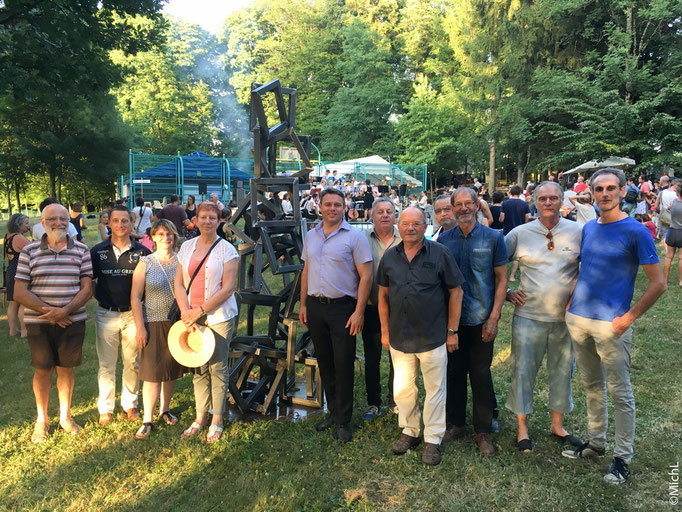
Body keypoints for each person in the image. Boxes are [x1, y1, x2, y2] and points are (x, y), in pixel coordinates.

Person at [563, 168, 666, 484]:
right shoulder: (589, 228)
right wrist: (570, 305)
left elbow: (659, 283)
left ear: (622, 192)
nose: (604, 194)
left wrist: (628, 317)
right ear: (591, 192)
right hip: (580, 320)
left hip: (612, 325)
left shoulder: (636, 231)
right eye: (599, 188)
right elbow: (585, 270)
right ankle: (596, 442)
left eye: (610, 188)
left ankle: (622, 457)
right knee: (591, 385)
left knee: (619, 392)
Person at [378, 207, 464, 465]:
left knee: (435, 390)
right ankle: (410, 431)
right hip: (399, 337)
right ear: (398, 225)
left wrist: (452, 331)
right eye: (405, 223)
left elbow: (456, 292)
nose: (410, 228)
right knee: (403, 390)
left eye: (416, 223)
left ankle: (433, 439)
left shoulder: (440, 254)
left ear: (426, 224)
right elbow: (382, 295)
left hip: (432, 336)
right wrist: (384, 331)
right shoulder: (390, 257)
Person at [504, 182, 583, 453]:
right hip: (528, 317)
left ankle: (557, 425)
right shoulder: (519, 234)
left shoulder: (578, 232)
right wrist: (506, 291)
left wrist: (578, 298)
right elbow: (495, 264)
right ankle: (522, 429)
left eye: (553, 198)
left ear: (562, 200)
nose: (548, 202)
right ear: (534, 201)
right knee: (523, 372)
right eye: (542, 198)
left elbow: (590, 268)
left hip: (565, 320)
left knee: (563, 372)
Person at [14, 203, 93, 442]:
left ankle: (65, 417)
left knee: (66, 369)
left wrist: (65, 310)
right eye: (52, 218)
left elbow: (87, 288)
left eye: (63, 218)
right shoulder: (29, 251)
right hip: (39, 322)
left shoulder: (81, 249)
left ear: (68, 221)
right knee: (42, 369)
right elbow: (19, 291)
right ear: (43, 221)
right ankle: (42, 420)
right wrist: (50, 312)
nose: (58, 222)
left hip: (72, 320)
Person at [438, 187, 508, 456]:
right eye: (459, 204)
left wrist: (494, 317)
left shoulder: (493, 238)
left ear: (477, 205)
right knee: (453, 374)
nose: (464, 208)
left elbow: (502, 279)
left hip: (481, 320)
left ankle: (483, 430)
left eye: (469, 203)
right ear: (452, 208)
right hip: (452, 323)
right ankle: (455, 423)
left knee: (480, 375)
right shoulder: (444, 241)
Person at [299, 188, 372, 443]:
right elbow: (306, 271)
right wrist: (303, 304)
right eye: (328, 204)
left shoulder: (355, 237)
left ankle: (343, 420)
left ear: (345, 207)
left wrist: (359, 312)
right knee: (325, 362)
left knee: (343, 364)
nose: (332, 208)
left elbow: (366, 277)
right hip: (316, 307)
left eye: (337, 205)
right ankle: (332, 412)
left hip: (343, 308)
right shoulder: (311, 235)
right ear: (319, 206)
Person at [175, 201, 239, 443]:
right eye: (203, 217)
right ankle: (200, 416)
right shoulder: (187, 247)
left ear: (219, 220)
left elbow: (228, 289)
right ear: (196, 219)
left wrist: (199, 311)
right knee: (198, 367)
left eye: (213, 218)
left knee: (217, 367)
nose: (207, 222)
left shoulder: (227, 250)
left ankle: (217, 419)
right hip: (191, 317)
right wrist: (186, 312)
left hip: (218, 317)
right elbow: (179, 283)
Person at [91, 205, 151, 426]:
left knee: (132, 363)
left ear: (131, 222)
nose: (120, 225)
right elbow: (90, 282)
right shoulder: (98, 251)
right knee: (106, 364)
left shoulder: (142, 252)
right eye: (115, 221)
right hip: (106, 314)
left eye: (124, 221)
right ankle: (106, 408)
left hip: (132, 316)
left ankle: (130, 404)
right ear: (109, 223)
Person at [130, 220, 185, 439]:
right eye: (160, 234)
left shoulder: (182, 260)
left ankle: (165, 409)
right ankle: (147, 419)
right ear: (153, 237)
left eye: (169, 233)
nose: (165, 237)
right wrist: (140, 327)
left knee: (170, 369)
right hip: (152, 321)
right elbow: (135, 296)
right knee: (152, 373)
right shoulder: (146, 262)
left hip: (176, 323)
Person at [361, 198, 401, 421]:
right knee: (372, 356)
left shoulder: (405, 237)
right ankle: (373, 403)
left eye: (389, 211)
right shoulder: (361, 239)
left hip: (398, 310)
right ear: (372, 216)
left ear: (395, 216)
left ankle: (395, 401)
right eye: (380, 212)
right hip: (371, 308)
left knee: (398, 357)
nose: (385, 215)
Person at [4, 213, 30, 337]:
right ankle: (24, 331)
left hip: (10, 271)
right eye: (26, 223)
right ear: (18, 225)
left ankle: (13, 330)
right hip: (20, 272)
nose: (28, 226)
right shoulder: (19, 238)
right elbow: (34, 250)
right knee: (24, 302)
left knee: (13, 303)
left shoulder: (7, 236)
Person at [502, 185, 530, 282]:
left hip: (507, 230)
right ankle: (512, 276)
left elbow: (501, 218)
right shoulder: (525, 204)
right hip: (520, 231)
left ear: (510, 192)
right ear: (520, 193)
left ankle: (503, 276)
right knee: (517, 255)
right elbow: (527, 218)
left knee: (504, 253)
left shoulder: (505, 203)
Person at [663, 183, 682, 286]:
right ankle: (681, 281)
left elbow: (669, 208)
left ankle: (665, 279)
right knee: (681, 258)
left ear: (677, 192)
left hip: (672, 231)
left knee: (668, 257)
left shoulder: (673, 202)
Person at [655, 178, 678, 245]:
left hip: (664, 216)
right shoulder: (677, 194)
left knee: (664, 233)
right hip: (675, 217)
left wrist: (662, 211)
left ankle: (665, 247)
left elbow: (656, 206)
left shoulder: (661, 192)